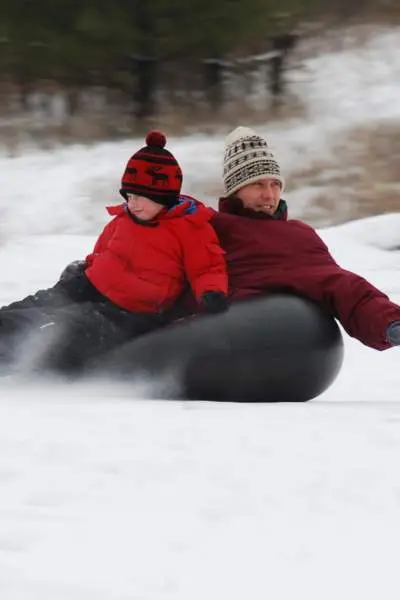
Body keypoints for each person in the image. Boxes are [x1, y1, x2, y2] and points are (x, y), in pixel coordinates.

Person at [0, 131, 228, 372]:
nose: (133, 204)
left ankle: (15, 355)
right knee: (32, 306)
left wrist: (212, 293)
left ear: (164, 196)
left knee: (58, 326)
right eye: (129, 196)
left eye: (140, 197)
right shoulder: (122, 219)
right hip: (89, 287)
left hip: (128, 312)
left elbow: (208, 267)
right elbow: (101, 253)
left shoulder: (190, 226)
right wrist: (82, 273)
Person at [210, 126, 400, 351]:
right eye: (257, 184)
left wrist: (388, 322)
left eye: (275, 185)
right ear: (235, 189)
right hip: (221, 348)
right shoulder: (209, 231)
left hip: (289, 355)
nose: (269, 195)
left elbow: (340, 285)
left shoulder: (297, 237)